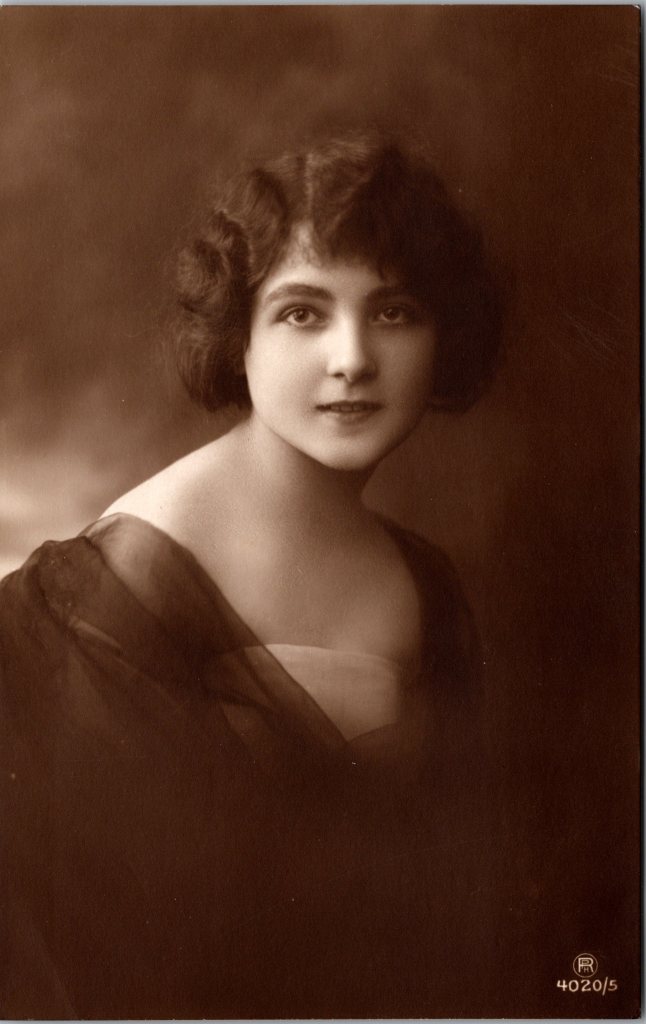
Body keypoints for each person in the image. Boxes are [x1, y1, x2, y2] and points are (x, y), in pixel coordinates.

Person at [0, 130, 503, 1018]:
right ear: (239, 337)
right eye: (303, 313)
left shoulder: (428, 583)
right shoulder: (112, 595)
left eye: (393, 312)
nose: (353, 358)